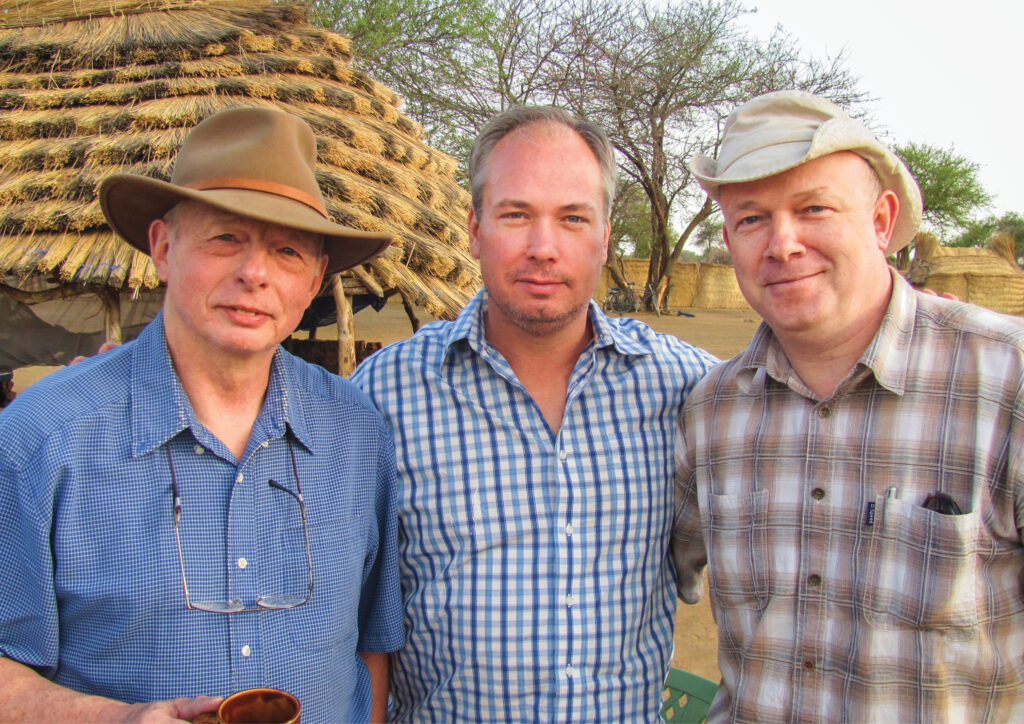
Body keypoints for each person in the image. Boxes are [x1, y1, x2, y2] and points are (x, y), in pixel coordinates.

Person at [0, 107, 404, 724]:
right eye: (225, 239)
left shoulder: (358, 435)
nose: (255, 274)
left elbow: (371, 644)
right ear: (163, 248)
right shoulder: (40, 438)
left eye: (288, 251)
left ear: (316, 276)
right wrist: (120, 720)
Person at [351, 105, 717, 721]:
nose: (544, 248)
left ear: (604, 236)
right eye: (516, 214)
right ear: (473, 227)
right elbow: (360, 618)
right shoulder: (383, 396)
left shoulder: (689, 389)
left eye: (573, 219)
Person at [672, 90, 1024, 720]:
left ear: (882, 221)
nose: (782, 244)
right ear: (728, 237)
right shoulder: (711, 411)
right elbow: (642, 562)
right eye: (752, 219)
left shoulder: (1005, 383)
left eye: (814, 208)